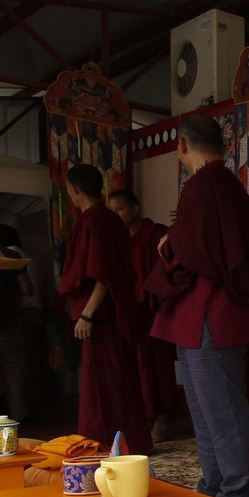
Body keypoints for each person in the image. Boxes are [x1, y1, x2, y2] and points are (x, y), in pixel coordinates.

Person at [145, 114, 249, 497]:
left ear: (181, 146)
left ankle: (236, 491)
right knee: (205, 409)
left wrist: (169, 244)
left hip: (212, 312)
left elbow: (195, 250)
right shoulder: (225, 184)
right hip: (200, 315)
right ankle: (214, 483)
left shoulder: (204, 184)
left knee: (221, 407)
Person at [60, 164, 151, 453]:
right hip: (117, 312)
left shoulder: (92, 223)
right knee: (120, 379)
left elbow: (103, 275)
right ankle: (131, 442)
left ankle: (101, 444)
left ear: (74, 189)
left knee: (101, 384)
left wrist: (87, 313)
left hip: (100, 315)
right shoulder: (111, 220)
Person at [106, 189, 178, 443]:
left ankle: (162, 415)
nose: (116, 215)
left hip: (152, 309)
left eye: (120, 209)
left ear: (135, 208)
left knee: (156, 365)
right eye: (112, 211)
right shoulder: (116, 240)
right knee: (133, 366)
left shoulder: (155, 233)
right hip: (127, 311)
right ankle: (140, 418)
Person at [0, 224, 38, 420]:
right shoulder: (11, 256)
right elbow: (27, 289)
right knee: (14, 367)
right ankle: (19, 413)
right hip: (9, 318)